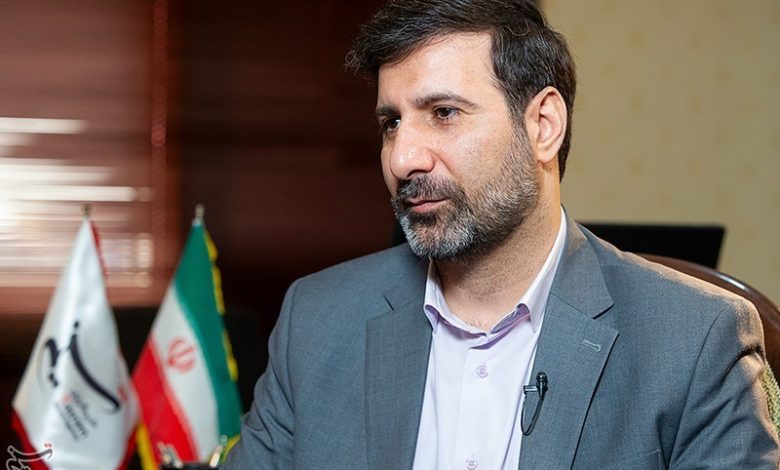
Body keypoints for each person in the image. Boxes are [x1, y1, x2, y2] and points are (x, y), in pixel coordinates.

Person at [223, 1, 780, 468]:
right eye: (391, 122)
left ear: (543, 125)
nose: (401, 158)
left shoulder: (696, 340)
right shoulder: (316, 320)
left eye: (443, 113)